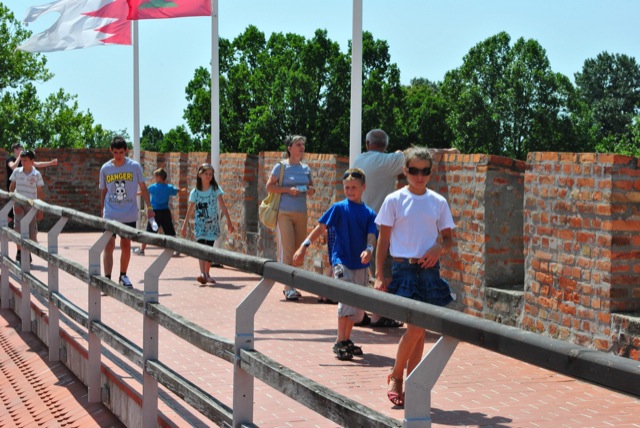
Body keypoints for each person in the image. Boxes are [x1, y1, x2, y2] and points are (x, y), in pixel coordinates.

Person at [375, 146, 456, 408]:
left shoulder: (438, 201)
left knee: (420, 331)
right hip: (404, 270)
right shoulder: (394, 200)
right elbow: (383, 240)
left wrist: (438, 248)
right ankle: (397, 375)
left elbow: (448, 240)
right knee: (415, 328)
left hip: (430, 271)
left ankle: (412, 381)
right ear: (405, 171)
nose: (420, 176)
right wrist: (379, 275)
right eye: (414, 170)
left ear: (431, 172)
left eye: (425, 171)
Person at [293, 168, 377, 360]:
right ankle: (340, 340)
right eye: (347, 187)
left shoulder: (369, 213)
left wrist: (369, 249)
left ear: (363, 187)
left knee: (357, 307)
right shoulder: (338, 208)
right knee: (346, 299)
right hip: (341, 261)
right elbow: (320, 227)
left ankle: (347, 339)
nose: (350, 191)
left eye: (354, 187)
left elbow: (372, 234)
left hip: (360, 265)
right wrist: (304, 246)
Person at [352, 129, 405, 328]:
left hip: (360, 223)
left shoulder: (359, 160)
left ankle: (359, 314)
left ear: (367, 144)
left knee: (364, 271)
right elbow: (418, 157)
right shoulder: (388, 162)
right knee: (384, 272)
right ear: (386, 145)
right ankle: (379, 315)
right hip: (379, 227)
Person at [265, 135, 315, 301]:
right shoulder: (281, 167)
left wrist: (310, 190)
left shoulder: (306, 168)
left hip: (301, 212)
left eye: (303, 145)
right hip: (284, 212)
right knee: (287, 250)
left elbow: (311, 187)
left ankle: (294, 284)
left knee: (298, 250)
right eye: (298, 144)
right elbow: (269, 186)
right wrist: (288, 190)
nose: (301, 148)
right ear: (289, 148)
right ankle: (288, 287)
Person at [99, 136, 154, 288]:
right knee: (109, 245)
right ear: (111, 151)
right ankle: (107, 278)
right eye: (115, 152)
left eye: (121, 152)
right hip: (110, 213)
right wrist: (102, 210)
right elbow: (103, 191)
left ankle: (123, 275)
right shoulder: (105, 168)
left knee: (125, 244)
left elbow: (143, 188)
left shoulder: (134, 166)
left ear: (126, 151)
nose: (118, 156)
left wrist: (150, 208)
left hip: (128, 212)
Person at [180, 163, 234, 285]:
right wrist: (184, 225)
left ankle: (207, 273)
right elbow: (190, 210)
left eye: (210, 174)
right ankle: (202, 273)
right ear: (200, 175)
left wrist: (229, 222)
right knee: (201, 248)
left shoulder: (215, 189)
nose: (208, 176)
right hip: (200, 225)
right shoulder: (195, 192)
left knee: (209, 249)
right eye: (206, 174)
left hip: (212, 225)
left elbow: (223, 206)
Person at [134, 168, 186, 256]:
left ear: (158, 177)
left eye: (155, 176)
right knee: (170, 231)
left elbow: (143, 192)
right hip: (165, 211)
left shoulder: (153, 187)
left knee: (149, 231)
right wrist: (181, 190)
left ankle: (142, 250)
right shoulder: (169, 187)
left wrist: (134, 194)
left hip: (155, 212)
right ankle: (176, 250)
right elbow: (176, 190)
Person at [6, 143, 57, 225]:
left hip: (25, 190)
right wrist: (20, 157)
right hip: (14, 187)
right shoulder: (10, 159)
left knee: (15, 213)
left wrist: (50, 163)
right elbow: (13, 167)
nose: (22, 150)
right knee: (12, 212)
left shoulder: (26, 161)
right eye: (20, 149)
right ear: (15, 150)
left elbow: (36, 164)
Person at [9, 149, 45, 262]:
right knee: (18, 228)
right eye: (22, 160)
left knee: (31, 232)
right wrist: (14, 201)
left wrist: (40, 209)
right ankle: (20, 251)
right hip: (19, 203)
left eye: (25, 160)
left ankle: (27, 252)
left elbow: (40, 192)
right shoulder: (17, 172)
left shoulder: (36, 174)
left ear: (32, 161)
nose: (23, 162)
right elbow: (11, 187)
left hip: (31, 205)